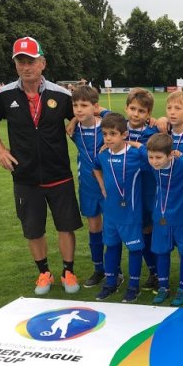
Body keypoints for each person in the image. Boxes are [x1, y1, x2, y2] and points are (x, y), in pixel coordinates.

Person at [0, 37, 82, 295]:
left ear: (42, 63)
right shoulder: (4, 95)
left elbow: (85, 112)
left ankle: (68, 271)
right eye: (21, 62)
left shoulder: (61, 95)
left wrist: (74, 121)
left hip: (59, 174)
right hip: (25, 176)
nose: (26, 67)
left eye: (31, 61)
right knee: (33, 229)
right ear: (16, 64)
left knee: (66, 226)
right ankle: (44, 273)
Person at [130, 133, 183, 306]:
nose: (154, 161)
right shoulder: (151, 159)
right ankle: (164, 287)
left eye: (158, 157)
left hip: (181, 218)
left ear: (170, 154)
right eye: (151, 157)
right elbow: (140, 147)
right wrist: (128, 142)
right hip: (160, 218)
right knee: (161, 252)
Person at [92, 113, 150, 302]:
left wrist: (135, 144)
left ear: (124, 134)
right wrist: (102, 185)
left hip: (130, 214)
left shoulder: (135, 154)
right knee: (111, 247)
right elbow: (95, 167)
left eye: (113, 134)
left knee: (134, 250)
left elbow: (152, 158)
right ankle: (110, 283)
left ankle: (133, 286)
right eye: (105, 134)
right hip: (110, 213)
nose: (108, 138)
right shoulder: (103, 154)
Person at [69, 85, 109, 288]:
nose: (78, 109)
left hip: (109, 186)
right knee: (94, 227)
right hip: (87, 186)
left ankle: (114, 270)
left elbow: (117, 117)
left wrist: (101, 110)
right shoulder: (73, 131)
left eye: (84, 105)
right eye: (75, 105)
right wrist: (74, 120)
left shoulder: (107, 126)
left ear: (94, 106)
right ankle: (99, 268)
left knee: (111, 228)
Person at [125, 88, 160, 291]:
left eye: (141, 111)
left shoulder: (152, 132)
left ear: (148, 114)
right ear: (126, 108)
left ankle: (157, 271)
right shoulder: (119, 129)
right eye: (132, 109)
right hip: (129, 189)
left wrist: (133, 144)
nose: (136, 114)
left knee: (150, 228)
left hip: (148, 186)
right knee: (138, 228)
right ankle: (153, 270)